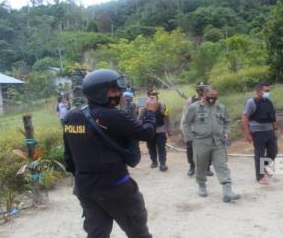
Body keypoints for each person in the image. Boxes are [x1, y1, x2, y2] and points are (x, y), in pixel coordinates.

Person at [63, 69, 158, 238]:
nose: (120, 94)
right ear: (99, 93)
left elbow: (68, 157)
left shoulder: (71, 116)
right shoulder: (110, 115)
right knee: (138, 232)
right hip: (115, 187)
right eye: (114, 90)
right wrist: (150, 111)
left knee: (97, 233)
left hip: (85, 188)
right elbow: (146, 133)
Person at [182, 86, 240, 203]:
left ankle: (227, 192)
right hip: (201, 142)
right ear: (204, 95)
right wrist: (190, 138)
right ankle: (202, 185)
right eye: (211, 96)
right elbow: (186, 123)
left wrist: (226, 132)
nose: (213, 99)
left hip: (218, 142)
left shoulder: (220, 107)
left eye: (215, 96)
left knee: (222, 165)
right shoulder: (194, 107)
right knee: (200, 165)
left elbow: (227, 121)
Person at [241, 82, 278, 185]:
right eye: (266, 91)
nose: (268, 93)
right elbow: (244, 118)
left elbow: (272, 116)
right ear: (259, 91)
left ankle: (264, 166)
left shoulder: (268, 102)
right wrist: (247, 134)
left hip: (270, 130)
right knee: (260, 154)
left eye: (268, 91)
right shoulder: (251, 102)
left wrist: (275, 127)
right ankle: (260, 177)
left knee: (274, 151)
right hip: (257, 132)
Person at [180, 81, 214, 177]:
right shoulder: (190, 100)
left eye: (204, 88)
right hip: (193, 130)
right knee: (191, 148)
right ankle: (192, 166)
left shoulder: (210, 100)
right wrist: (186, 132)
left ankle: (207, 167)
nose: (202, 90)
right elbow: (185, 117)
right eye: (201, 88)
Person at [139, 89, 172, 171]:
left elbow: (167, 118)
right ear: (148, 96)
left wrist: (169, 130)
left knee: (162, 147)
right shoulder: (144, 108)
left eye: (155, 94)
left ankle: (162, 164)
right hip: (150, 131)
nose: (154, 96)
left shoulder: (163, 106)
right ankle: (154, 162)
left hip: (161, 130)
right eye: (152, 94)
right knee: (151, 147)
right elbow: (140, 119)